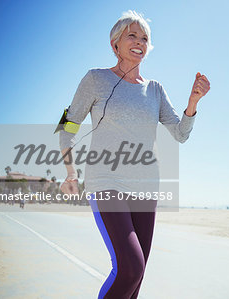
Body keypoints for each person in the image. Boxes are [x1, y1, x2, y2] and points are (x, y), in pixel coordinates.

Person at [58, 10, 210, 298]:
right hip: (106, 184)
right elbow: (68, 125)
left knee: (136, 281)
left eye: (145, 37)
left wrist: (193, 102)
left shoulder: (155, 90)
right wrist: (70, 171)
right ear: (115, 44)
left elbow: (179, 133)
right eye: (132, 35)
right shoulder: (95, 79)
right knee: (130, 268)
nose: (140, 41)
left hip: (146, 188)